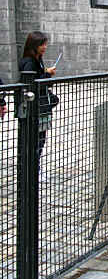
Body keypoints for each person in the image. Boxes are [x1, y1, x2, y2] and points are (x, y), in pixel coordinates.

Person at [18, 31, 58, 180]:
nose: (45, 47)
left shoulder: (36, 60)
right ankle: (32, 171)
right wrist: (47, 75)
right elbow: (32, 83)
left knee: (38, 141)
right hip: (35, 109)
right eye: (42, 44)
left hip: (39, 109)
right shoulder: (30, 62)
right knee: (35, 142)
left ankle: (34, 169)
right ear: (34, 45)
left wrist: (45, 72)